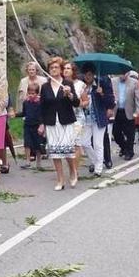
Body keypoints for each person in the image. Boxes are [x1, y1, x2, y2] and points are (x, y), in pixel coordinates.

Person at [39, 57, 80, 190]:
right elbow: (42, 106)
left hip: (66, 121)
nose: (53, 70)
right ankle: (60, 179)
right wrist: (41, 123)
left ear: (61, 70)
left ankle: (73, 171)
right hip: (51, 122)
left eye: (56, 67)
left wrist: (70, 95)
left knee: (67, 150)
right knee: (55, 152)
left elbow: (76, 103)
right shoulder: (45, 87)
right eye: (51, 68)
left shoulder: (67, 84)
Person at [79, 63, 115, 176]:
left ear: (93, 75)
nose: (87, 77)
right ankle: (96, 161)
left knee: (98, 143)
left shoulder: (101, 83)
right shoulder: (82, 86)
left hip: (98, 118)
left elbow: (110, 101)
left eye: (90, 75)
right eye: (85, 75)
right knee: (84, 142)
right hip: (86, 119)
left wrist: (102, 93)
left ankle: (98, 169)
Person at [112, 70, 139, 160]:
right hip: (116, 111)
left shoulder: (134, 82)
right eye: (121, 72)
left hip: (129, 110)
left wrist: (138, 111)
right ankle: (124, 147)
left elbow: (138, 98)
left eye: (125, 73)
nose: (123, 75)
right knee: (116, 133)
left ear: (128, 73)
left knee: (130, 133)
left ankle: (129, 151)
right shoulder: (113, 81)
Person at [17, 82, 44, 168]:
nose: (31, 95)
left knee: (37, 144)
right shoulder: (26, 102)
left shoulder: (40, 103)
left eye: (33, 94)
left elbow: (43, 114)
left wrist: (42, 124)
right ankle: (28, 161)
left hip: (37, 125)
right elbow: (24, 113)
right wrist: (16, 114)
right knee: (27, 143)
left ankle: (38, 162)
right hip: (27, 125)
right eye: (29, 93)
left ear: (37, 93)